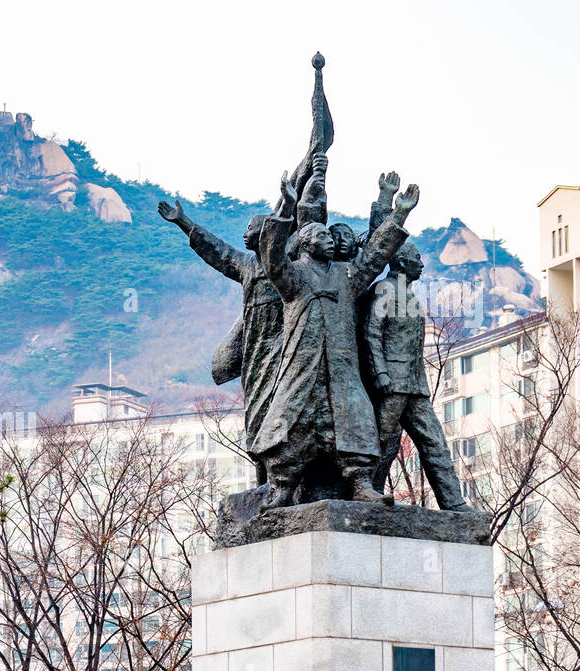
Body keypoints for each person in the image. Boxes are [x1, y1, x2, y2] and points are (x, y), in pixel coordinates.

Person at [251, 167, 420, 509]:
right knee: (293, 425)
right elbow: (271, 256)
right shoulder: (293, 277)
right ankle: (282, 487)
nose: (329, 238)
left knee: (353, 422)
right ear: (305, 244)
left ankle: (360, 482)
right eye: (321, 236)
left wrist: (398, 212)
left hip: (342, 371)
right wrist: (286, 206)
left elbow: (374, 258)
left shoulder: (347, 276)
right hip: (304, 368)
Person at [158, 198, 281, 485]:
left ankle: (281, 477)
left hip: (281, 349)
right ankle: (263, 480)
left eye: (250, 229)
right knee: (256, 414)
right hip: (255, 352)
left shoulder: (282, 267)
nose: (244, 233)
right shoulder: (247, 266)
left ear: (264, 235)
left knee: (278, 413)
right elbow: (218, 251)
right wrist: (183, 222)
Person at [362, 240, 472, 510]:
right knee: (380, 441)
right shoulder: (384, 290)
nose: (421, 264)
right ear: (400, 261)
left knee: (434, 441)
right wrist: (380, 372)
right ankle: (363, 491)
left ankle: (453, 502)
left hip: (414, 383)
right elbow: (371, 333)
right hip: (393, 382)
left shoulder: (409, 295)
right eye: (416, 258)